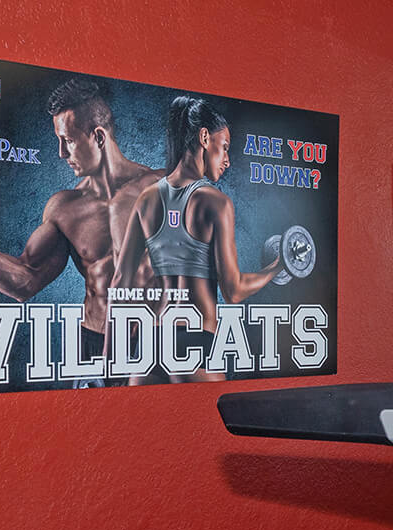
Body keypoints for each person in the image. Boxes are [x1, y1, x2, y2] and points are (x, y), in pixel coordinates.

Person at [0, 78, 163, 378]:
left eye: (68, 140)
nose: (61, 153)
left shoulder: (164, 189)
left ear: (98, 137)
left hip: (158, 343)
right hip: (94, 343)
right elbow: (26, 280)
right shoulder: (65, 208)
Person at [118, 95, 283, 380]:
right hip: (195, 340)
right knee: (207, 425)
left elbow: (120, 281)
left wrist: (111, 361)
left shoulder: (146, 198)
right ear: (205, 137)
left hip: (150, 342)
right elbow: (233, 292)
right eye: (225, 147)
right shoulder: (215, 202)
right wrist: (277, 267)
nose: (228, 161)